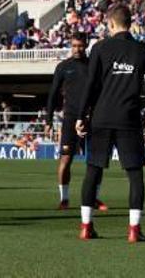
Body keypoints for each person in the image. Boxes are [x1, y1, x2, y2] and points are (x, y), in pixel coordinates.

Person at [75, 5, 145, 242]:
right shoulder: (142, 51)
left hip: (101, 118)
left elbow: (90, 86)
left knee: (93, 171)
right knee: (135, 176)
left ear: (110, 24)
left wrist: (81, 117)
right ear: (130, 23)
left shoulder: (100, 48)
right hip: (129, 119)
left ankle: (85, 226)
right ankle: (134, 230)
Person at [44, 33, 107, 211]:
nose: (77, 49)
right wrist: (48, 119)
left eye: (80, 46)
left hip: (93, 118)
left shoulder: (94, 67)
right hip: (70, 118)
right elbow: (53, 94)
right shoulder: (63, 67)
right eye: (74, 46)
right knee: (65, 160)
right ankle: (64, 199)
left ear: (86, 45)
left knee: (96, 161)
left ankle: (94, 198)